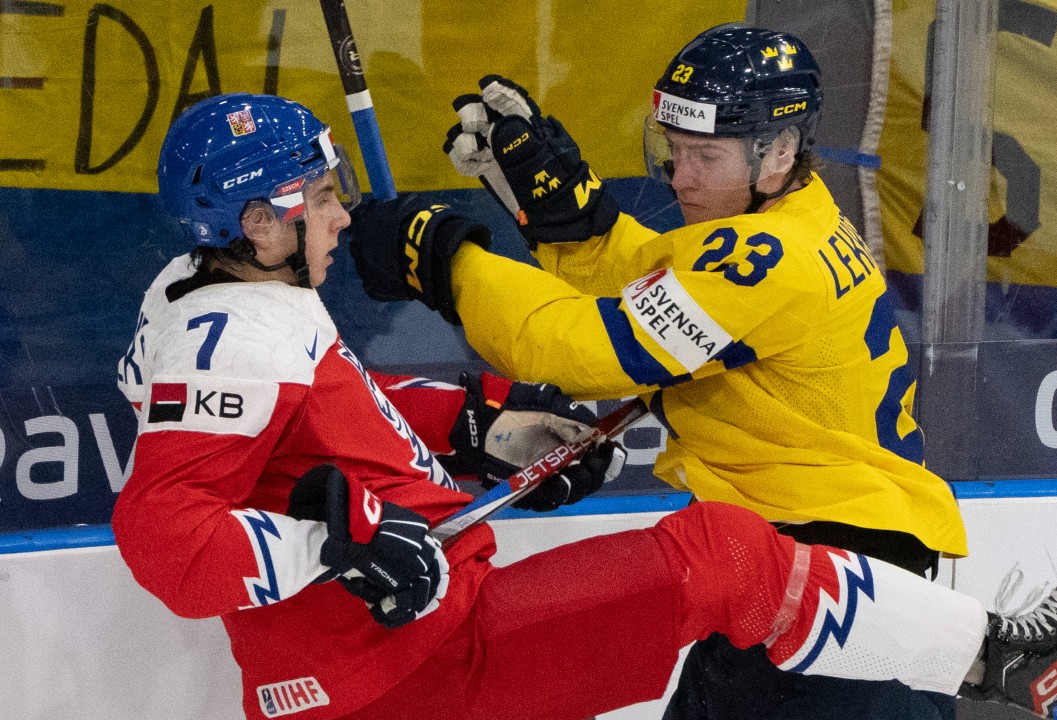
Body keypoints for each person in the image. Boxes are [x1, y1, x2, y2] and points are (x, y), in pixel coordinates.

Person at [112, 92, 1057, 720]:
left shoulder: (219, 302)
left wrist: (475, 425)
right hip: (408, 665)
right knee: (723, 558)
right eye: (322, 196)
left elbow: (325, 425)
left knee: (724, 565)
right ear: (261, 221)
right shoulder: (235, 334)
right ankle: (1012, 661)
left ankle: (1003, 662)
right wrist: (341, 546)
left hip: (398, 653)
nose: (340, 214)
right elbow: (163, 535)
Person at [353, 24, 967, 720]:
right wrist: (576, 225)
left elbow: (575, 349)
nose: (681, 176)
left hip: (831, 591)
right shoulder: (790, 222)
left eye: (706, 155)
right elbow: (660, 287)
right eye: (673, 149)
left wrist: (446, 260)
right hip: (799, 575)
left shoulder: (774, 260)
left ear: (780, 151)